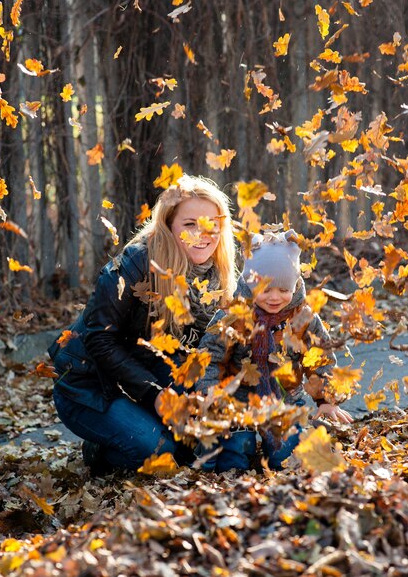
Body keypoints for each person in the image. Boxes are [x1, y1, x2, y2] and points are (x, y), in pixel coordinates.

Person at [48, 174, 237, 474]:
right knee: (160, 453)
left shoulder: (216, 274)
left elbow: (205, 349)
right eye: (190, 224)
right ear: (169, 225)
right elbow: (99, 339)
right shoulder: (136, 262)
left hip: (143, 373)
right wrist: (155, 395)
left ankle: (134, 427)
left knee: (196, 447)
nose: (203, 233)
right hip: (89, 384)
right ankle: (100, 447)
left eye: (212, 223)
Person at [195, 230, 353, 473]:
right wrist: (209, 392)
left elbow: (319, 357)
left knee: (285, 458)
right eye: (265, 289)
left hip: (285, 397)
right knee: (234, 456)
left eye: (283, 289)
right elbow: (211, 356)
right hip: (239, 399)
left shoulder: (303, 317)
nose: (274, 297)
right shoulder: (233, 316)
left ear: (295, 284)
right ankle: (232, 464)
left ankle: (281, 452)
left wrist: (326, 400)